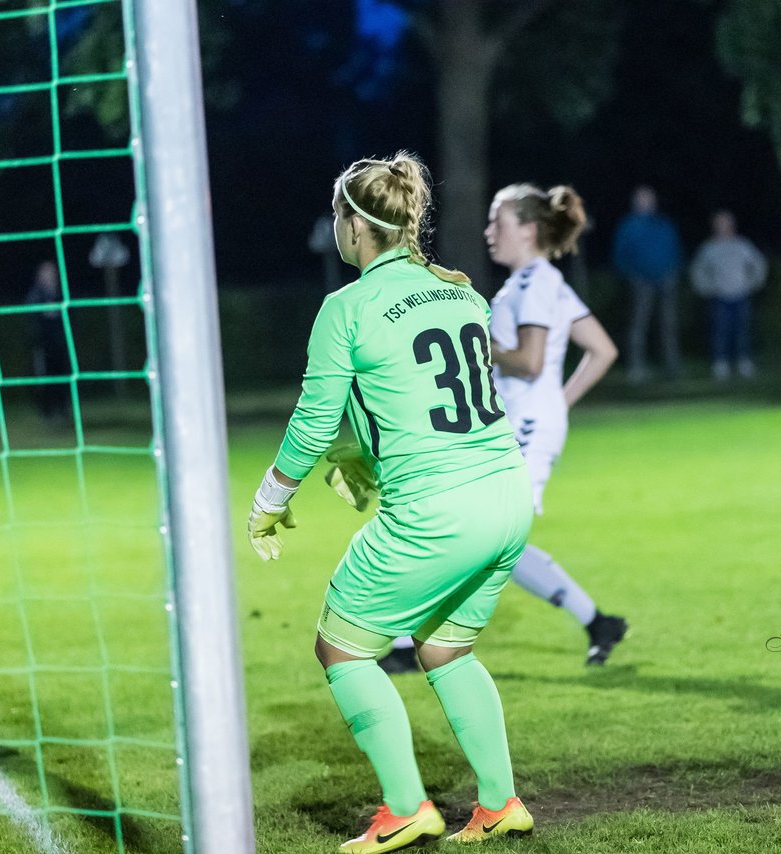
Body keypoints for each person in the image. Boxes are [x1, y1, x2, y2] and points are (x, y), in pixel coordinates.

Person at [246, 152, 536, 851]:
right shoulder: (462, 292)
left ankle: (407, 807)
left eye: (338, 214)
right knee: (446, 649)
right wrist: (361, 456)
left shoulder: (345, 307)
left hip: (437, 515)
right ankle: (499, 803)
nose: (336, 226)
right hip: (507, 499)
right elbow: (425, 399)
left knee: (341, 648)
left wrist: (269, 499)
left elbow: (315, 419)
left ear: (355, 224)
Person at [377, 183, 629, 675]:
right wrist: (559, 402)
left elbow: (531, 363)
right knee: (491, 541)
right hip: (525, 423)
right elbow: (602, 349)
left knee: (472, 529)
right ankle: (599, 623)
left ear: (529, 231)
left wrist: (475, 343)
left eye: (500, 222)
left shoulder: (535, 283)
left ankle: (409, 646)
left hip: (527, 428)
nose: (490, 231)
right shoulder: (536, 281)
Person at [611, 185, 682, 383]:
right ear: (635, 202)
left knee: (668, 325)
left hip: (666, 279)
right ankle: (636, 368)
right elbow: (620, 255)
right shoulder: (628, 225)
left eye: (649, 199)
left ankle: (672, 367)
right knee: (638, 325)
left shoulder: (663, 224)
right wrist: (631, 275)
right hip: (640, 281)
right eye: (642, 199)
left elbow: (675, 248)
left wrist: (672, 270)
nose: (646, 203)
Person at [689, 210, 768, 380]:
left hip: (741, 294)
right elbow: (698, 270)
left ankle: (744, 362)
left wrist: (753, 283)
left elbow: (758, 263)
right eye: (719, 223)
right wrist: (706, 288)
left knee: (742, 331)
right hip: (719, 296)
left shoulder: (742, 245)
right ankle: (720, 363)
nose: (723, 226)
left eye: (726, 222)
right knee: (720, 331)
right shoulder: (709, 248)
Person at [25, 260, 70, 423]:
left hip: (60, 345)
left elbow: (71, 316)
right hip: (42, 346)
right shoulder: (36, 295)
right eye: (47, 272)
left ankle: (63, 411)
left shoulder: (60, 294)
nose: (50, 276)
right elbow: (31, 318)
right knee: (44, 379)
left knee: (63, 378)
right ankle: (47, 413)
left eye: (52, 272)